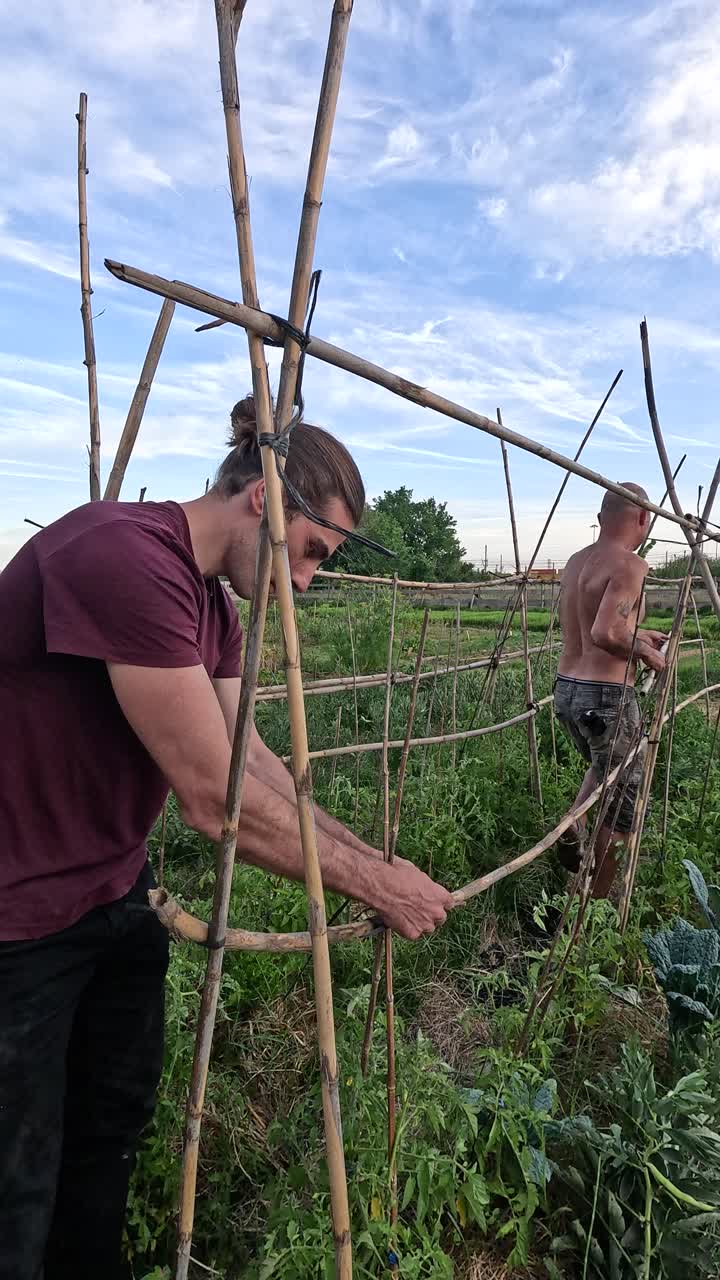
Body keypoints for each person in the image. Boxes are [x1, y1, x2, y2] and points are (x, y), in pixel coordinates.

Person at [0, 396, 452, 1280]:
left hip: (108, 894)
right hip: (17, 918)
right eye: (312, 550)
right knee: (16, 1183)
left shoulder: (212, 606)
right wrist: (373, 886)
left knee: (106, 1138)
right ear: (262, 500)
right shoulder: (125, 557)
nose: (311, 580)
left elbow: (257, 764)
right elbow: (215, 802)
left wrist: (371, 858)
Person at [553, 482, 667, 897]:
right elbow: (605, 631)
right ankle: (597, 903)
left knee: (606, 768)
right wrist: (646, 653)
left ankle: (575, 820)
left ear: (602, 518)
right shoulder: (631, 564)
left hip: (568, 691)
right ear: (642, 518)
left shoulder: (575, 561)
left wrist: (638, 635)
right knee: (624, 802)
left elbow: (593, 627)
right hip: (607, 698)